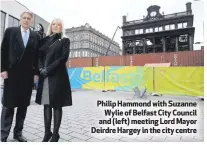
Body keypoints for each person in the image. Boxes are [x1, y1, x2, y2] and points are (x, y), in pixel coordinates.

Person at [1, 11, 40, 142]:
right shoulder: (10, 31)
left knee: (23, 106)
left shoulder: (35, 36)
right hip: (11, 74)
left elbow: (37, 57)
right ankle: (3, 135)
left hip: (27, 76)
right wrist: (2, 69)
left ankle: (18, 133)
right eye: (24, 18)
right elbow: (3, 51)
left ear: (32, 21)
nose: (26, 20)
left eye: (29, 18)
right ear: (20, 19)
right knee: (8, 105)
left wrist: (36, 73)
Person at [35, 18, 72, 142]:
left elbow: (63, 58)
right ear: (51, 26)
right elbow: (39, 56)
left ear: (62, 27)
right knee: (46, 105)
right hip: (45, 76)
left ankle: (55, 134)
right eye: (54, 24)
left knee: (56, 105)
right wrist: (40, 68)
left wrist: (48, 69)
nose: (56, 26)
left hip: (58, 77)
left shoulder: (65, 40)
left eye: (59, 25)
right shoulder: (44, 40)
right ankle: (47, 133)